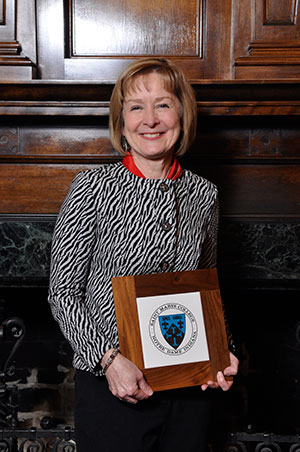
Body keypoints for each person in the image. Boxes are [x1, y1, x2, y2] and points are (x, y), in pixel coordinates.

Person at [48, 57, 239, 452]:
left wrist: (224, 353)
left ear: (182, 116)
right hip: (113, 384)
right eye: (136, 107)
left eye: (163, 104)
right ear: (121, 123)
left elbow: (206, 289)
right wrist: (109, 360)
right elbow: (63, 295)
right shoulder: (91, 188)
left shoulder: (205, 194)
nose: (150, 119)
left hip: (187, 384)